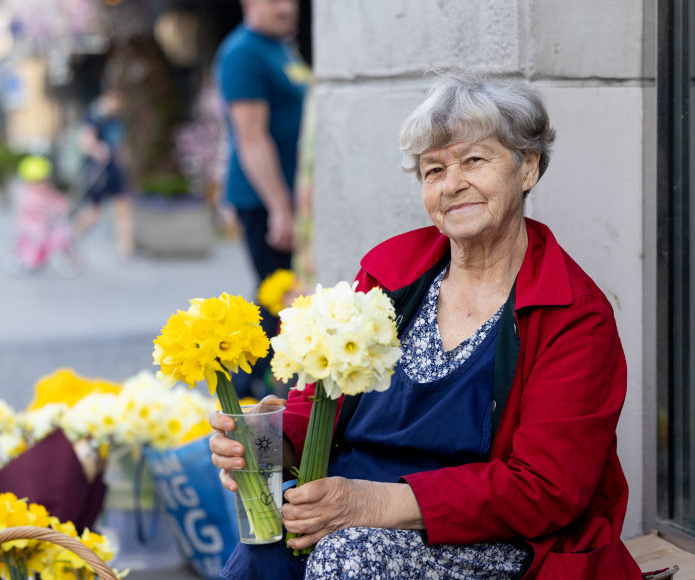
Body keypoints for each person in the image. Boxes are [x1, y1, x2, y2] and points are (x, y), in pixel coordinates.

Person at [209, 71, 644, 579]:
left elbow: (547, 489)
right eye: (433, 170)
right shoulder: (391, 270)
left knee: (345, 559)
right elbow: (321, 403)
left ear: (528, 168)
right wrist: (274, 441)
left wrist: (371, 507)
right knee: (261, 550)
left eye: (474, 161)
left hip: (493, 538)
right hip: (347, 510)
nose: (452, 183)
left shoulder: (572, 312)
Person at [215, 0, 310, 398]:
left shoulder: (281, 47)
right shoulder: (242, 53)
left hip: (290, 196)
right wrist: (279, 208)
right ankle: (246, 396)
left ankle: (253, 394)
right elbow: (251, 138)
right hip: (263, 199)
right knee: (276, 298)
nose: (285, 7)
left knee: (278, 297)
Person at [74, 90, 135, 258]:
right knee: (95, 212)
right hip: (98, 171)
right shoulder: (94, 117)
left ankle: (125, 249)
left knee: (124, 206)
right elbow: (85, 142)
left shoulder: (118, 119)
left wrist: (125, 160)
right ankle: (73, 236)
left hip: (115, 169)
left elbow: (121, 143)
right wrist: (98, 149)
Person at [9, 155, 72, 273]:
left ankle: (59, 254)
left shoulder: (46, 192)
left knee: (59, 231)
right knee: (39, 236)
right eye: (38, 181)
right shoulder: (28, 195)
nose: (42, 184)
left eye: (43, 181)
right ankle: (29, 259)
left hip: (46, 223)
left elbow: (56, 199)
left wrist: (62, 204)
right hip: (31, 226)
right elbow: (30, 208)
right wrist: (44, 211)